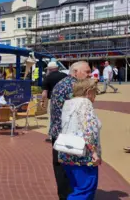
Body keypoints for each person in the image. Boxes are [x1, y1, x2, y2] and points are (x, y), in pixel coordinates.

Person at [50, 61, 92, 200]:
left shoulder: (61, 83)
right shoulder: (74, 87)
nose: (90, 74)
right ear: (75, 72)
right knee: (72, 171)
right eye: (87, 71)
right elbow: (80, 114)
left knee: (61, 169)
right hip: (69, 136)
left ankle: (65, 195)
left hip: (58, 133)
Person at [59, 78, 101, 199]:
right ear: (88, 92)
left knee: (76, 186)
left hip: (67, 151)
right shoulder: (85, 103)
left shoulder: (69, 103)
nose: (95, 96)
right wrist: (94, 152)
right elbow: (89, 129)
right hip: (83, 155)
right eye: (95, 92)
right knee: (85, 189)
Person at [42, 62, 68, 136]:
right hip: (66, 100)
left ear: (49, 69)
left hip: (53, 101)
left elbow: (44, 92)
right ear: (57, 68)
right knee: (64, 117)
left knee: (52, 118)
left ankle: (52, 135)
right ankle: (63, 133)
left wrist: (42, 101)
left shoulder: (47, 77)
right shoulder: (64, 75)